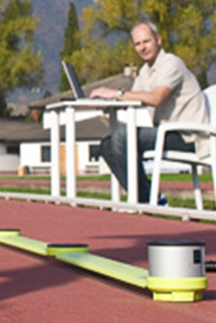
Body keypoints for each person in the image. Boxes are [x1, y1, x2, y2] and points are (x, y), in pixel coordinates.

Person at [88, 21, 208, 204]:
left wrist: (117, 94)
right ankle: (150, 198)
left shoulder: (172, 64)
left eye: (146, 42)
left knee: (122, 136)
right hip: (166, 132)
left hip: (189, 136)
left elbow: (156, 98)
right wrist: (108, 102)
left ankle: (145, 199)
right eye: (137, 44)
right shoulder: (145, 72)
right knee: (107, 144)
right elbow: (134, 98)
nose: (142, 47)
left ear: (158, 40)